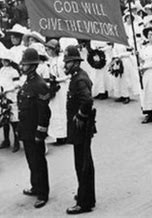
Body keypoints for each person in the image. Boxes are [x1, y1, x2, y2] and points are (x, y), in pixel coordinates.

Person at [63, 45, 97, 215]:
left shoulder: (79, 79)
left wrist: (80, 116)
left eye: (68, 62)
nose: (65, 65)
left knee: (82, 164)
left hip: (81, 127)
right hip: (80, 126)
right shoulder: (77, 76)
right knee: (84, 162)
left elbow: (88, 100)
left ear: (75, 62)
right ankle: (87, 196)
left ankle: (84, 202)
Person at [17, 48, 51, 208]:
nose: (22, 67)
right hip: (26, 129)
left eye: (24, 65)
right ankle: (35, 186)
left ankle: (43, 193)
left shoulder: (40, 84)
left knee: (39, 162)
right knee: (31, 161)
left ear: (32, 66)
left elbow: (44, 112)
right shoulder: (28, 82)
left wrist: (40, 132)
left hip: (35, 130)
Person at [0, 50, 21, 152]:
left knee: (14, 120)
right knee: (5, 119)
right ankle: (6, 140)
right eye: (2, 60)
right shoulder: (1, 70)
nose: (4, 62)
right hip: (3, 97)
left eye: (6, 60)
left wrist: (6, 90)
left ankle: (17, 141)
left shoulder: (14, 71)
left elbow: (16, 84)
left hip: (11, 96)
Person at [45, 39, 69, 145]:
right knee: (55, 111)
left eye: (49, 49)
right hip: (54, 88)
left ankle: (65, 134)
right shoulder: (50, 60)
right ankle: (58, 135)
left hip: (63, 87)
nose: (48, 51)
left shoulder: (62, 60)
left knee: (63, 109)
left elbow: (67, 74)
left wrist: (59, 79)